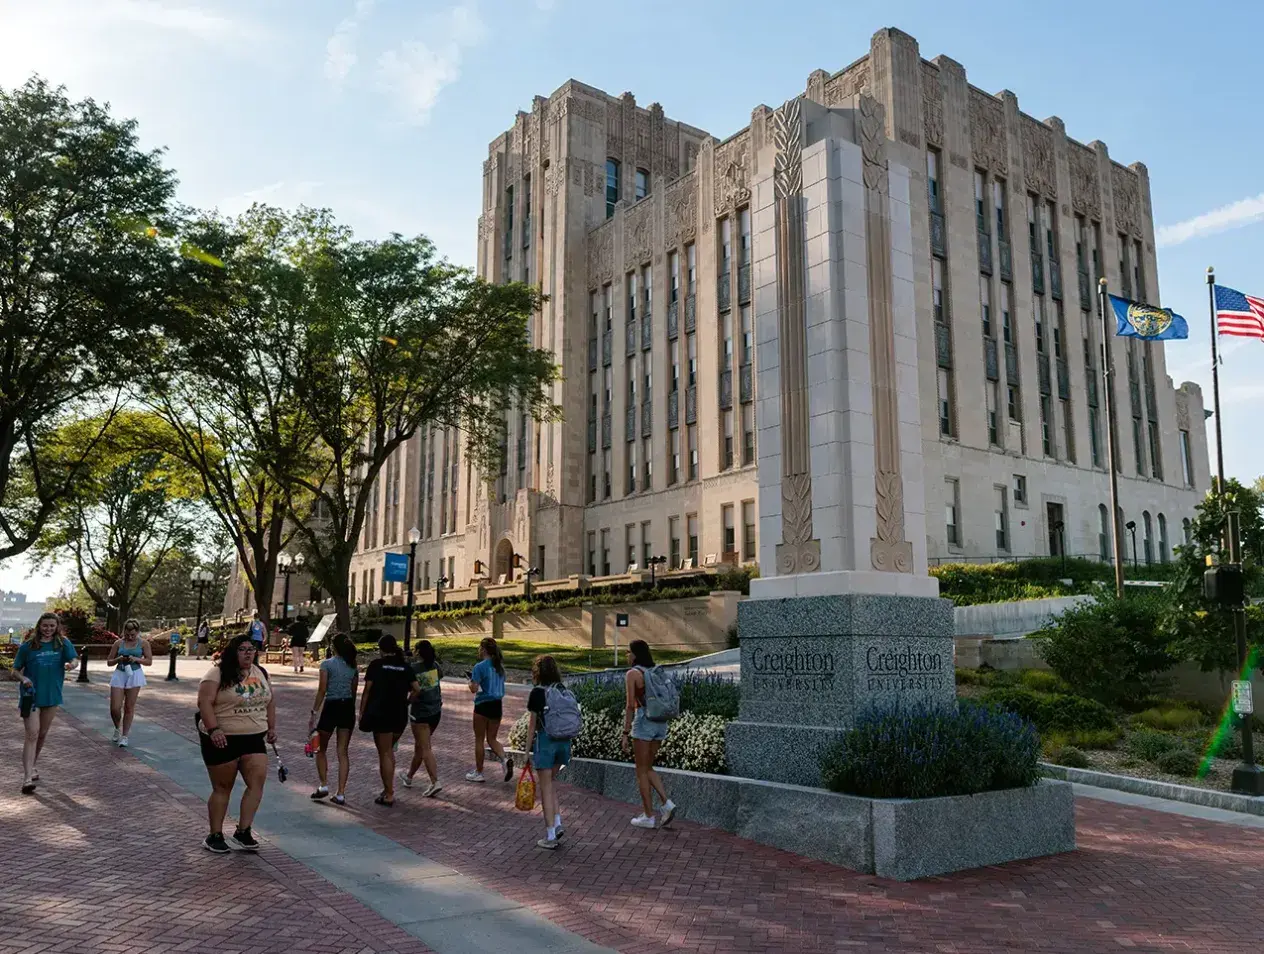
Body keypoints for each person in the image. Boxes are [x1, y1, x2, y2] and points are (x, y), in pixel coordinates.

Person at [196, 634, 276, 853]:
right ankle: (215, 834)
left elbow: (269, 701)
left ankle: (243, 831)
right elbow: (204, 702)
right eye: (243, 649)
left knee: (256, 784)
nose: (248, 653)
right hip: (224, 737)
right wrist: (214, 730)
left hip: (254, 737)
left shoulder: (260, 673)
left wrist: (271, 727)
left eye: (252, 649)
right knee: (223, 788)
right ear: (233, 652)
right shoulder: (217, 673)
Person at [11, 613, 78, 794]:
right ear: (39, 626)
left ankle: (32, 765)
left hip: (52, 696)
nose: (48, 629)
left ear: (57, 627)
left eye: (52, 626)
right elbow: (15, 670)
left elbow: (74, 659)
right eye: (45, 626)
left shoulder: (63, 644)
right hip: (31, 696)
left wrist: (72, 665)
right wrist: (23, 678)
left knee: (42, 734)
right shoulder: (28, 646)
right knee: (32, 734)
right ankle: (26, 779)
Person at [623, 640, 677, 829]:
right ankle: (666, 804)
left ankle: (648, 816)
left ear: (635, 654)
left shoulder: (633, 674)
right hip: (660, 723)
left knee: (641, 770)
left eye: (628, 652)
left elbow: (630, 705)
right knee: (647, 767)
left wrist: (625, 732)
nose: (626, 655)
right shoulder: (655, 672)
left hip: (644, 721)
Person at [358, 634, 418, 807]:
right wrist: (407, 701)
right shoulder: (405, 667)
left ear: (381, 649)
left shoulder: (376, 665)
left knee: (384, 753)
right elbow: (416, 689)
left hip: (381, 713)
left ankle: (389, 793)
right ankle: (387, 789)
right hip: (399, 715)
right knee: (389, 751)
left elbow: (367, 690)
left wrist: (362, 711)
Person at [525, 654, 572, 850]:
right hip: (564, 743)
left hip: (546, 742)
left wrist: (526, 751)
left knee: (544, 787)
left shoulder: (537, 692)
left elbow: (532, 725)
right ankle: (558, 822)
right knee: (551, 783)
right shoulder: (562, 690)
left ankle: (550, 835)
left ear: (537, 672)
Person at [309, 632, 358, 805]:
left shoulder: (327, 664)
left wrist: (314, 711)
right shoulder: (352, 666)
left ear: (332, 647)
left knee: (321, 748)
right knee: (342, 751)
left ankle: (323, 784)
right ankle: (341, 793)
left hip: (331, 706)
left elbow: (322, 689)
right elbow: (353, 691)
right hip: (347, 708)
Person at [400, 639, 443, 796]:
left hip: (421, 713)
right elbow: (439, 678)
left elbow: (411, 689)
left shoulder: (414, 668)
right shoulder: (435, 665)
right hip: (436, 711)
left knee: (425, 747)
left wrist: (407, 702)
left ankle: (434, 781)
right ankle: (409, 776)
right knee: (420, 746)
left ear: (418, 652)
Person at [466, 636, 512, 783]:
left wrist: (469, 682)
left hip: (482, 705)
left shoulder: (479, 667)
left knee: (479, 739)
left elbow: (474, 688)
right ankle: (504, 760)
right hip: (497, 705)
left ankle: (479, 772)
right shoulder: (500, 668)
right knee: (492, 739)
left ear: (484, 649)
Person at [105, 619, 152, 748]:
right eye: (127, 635)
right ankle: (116, 728)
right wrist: (118, 659)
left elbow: (149, 661)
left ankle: (124, 736)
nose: (130, 637)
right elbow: (109, 662)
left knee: (129, 707)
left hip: (134, 674)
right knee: (115, 708)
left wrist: (136, 659)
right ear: (123, 632)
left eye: (133, 635)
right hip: (119, 673)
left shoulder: (144, 644)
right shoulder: (118, 643)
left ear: (137, 632)